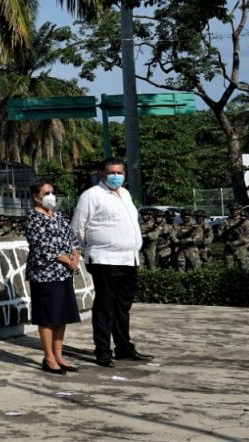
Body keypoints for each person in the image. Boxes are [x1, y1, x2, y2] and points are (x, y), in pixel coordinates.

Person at [70, 157, 152, 368]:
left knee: (123, 307)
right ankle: (103, 351)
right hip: (104, 259)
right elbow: (78, 227)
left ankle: (124, 348)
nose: (116, 176)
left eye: (120, 172)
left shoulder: (125, 194)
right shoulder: (91, 195)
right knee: (105, 306)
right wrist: (83, 250)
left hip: (129, 258)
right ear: (102, 174)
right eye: (111, 172)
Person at [24, 181, 81, 375]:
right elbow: (43, 246)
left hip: (64, 273)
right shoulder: (33, 217)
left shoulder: (58, 216)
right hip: (44, 273)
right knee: (48, 316)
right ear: (36, 196)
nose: (51, 196)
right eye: (47, 193)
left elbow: (72, 238)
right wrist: (67, 260)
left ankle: (59, 355)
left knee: (61, 315)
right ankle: (48, 357)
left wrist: (75, 256)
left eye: (52, 192)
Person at [221, 206, 249, 270]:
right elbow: (221, 235)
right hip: (229, 250)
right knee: (228, 271)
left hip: (242, 250)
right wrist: (228, 243)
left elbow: (248, 236)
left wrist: (235, 243)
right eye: (232, 209)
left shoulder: (245, 222)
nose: (234, 211)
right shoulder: (225, 222)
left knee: (244, 271)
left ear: (240, 210)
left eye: (236, 209)